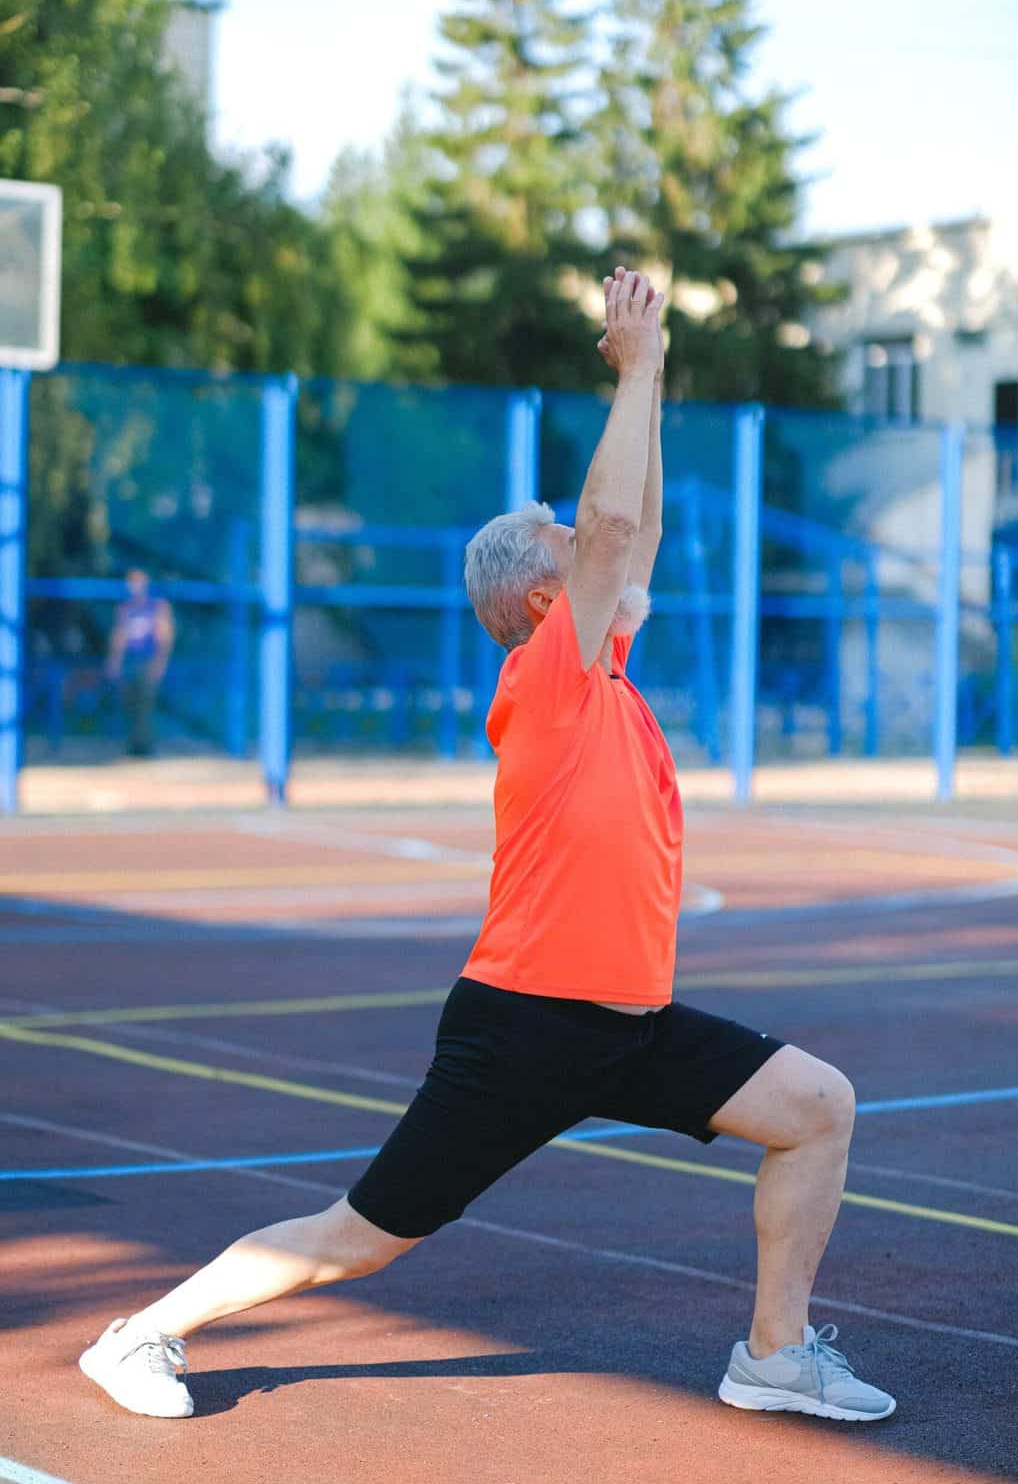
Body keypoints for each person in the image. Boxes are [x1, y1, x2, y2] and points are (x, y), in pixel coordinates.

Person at [79, 268, 895, 1424]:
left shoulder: (601, 667)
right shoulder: (552, 680)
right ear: (544, 603)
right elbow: (613, 523)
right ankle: (139, 1335)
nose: (608, 553)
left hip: (630, 1022)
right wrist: (640, 368)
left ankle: (772, 1356)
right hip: (524, 1026)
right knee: (356, 1242)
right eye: (577, 550)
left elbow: (634, 522)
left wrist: (647, 388)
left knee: (818, 1105)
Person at [105, 570, 175, 756]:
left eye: (138, 581)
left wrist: (160, 661)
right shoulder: (126, 606)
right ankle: (133, 746)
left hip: (148, 659)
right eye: (131, 582)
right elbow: (119, 635)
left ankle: (146, 747)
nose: (135, 586)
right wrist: (115, 661)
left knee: (146, 704)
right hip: (130, 659)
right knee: (130, 703)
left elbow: (165, 635)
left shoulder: (157, 605)